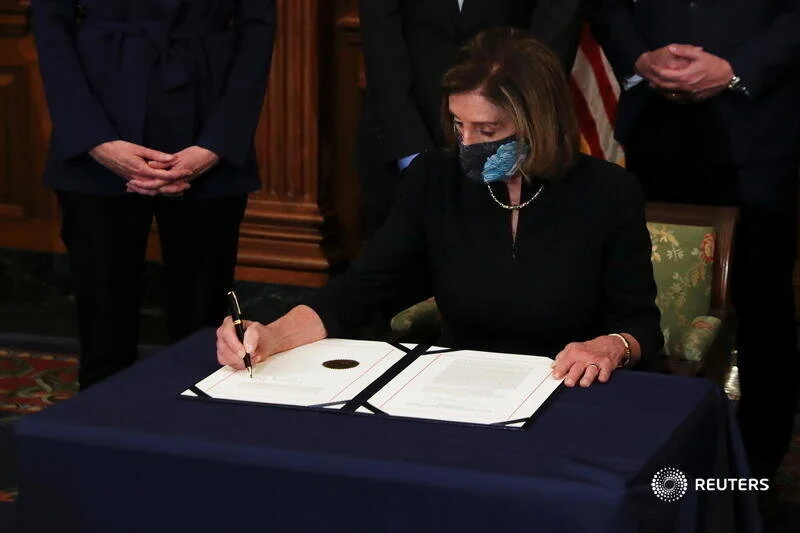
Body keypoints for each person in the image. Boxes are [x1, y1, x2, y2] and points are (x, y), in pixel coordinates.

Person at [217, 28, 663, 389]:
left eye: (486, 130)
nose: (466, 143)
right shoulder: (435, 178)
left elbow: (640, 325)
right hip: (457, 387)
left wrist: (612, 346)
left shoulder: (607, 192)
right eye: (458, 124)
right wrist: (271, 335)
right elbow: (364, 288)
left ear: (537, 123)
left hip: (569, 388)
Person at [590, 0, 800, 482]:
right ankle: (655, 451)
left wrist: (736, 69)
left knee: (763, 305)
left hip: (758, 126)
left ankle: (752, 473)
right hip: (655, 125)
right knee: (646, 298)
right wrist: (639, 59)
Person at [31, 0, 277, 389]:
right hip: (98, 117)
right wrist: (95, 139)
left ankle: (194, 423)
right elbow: (50, 22)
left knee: (203, 335)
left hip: (207, 118)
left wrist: (217, 143)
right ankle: (103, 422)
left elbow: (258, 29)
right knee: (103, 330)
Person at [358, 0, 584, 238]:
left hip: (512, 149)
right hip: (400, 139)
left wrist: (520, 117)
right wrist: (412, 154)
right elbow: (379, 29)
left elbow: (557, 18)